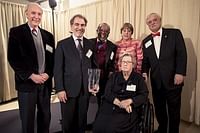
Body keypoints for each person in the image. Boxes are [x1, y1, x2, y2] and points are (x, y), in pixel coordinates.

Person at [7, 2, 55, 133]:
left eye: (39, 14)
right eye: (33, 13)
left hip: (45, 85)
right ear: (26, 14)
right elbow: (13, 59)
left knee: (45, 118)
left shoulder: (48, 36)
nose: (36, 16)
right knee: (27, 121)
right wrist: (31, 75)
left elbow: (52, 60)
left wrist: (48, 74)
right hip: (27, 85)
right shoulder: (16, 32)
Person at [142, 13, 187, 133]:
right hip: (156, 81)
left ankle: (173, 131)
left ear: (160, 20)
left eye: (154, 20)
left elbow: (181, 54)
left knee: (174, 109)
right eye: (149, 22)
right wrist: (144, 73)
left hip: (173, 79)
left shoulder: (174, 33)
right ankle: (162, 128)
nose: (152, 23)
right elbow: (145, 61)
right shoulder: (146, 41)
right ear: (147, 25)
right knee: (159, 108)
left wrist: (180, 73)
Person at [54, 14, 97, 133]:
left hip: (85, 91)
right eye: (77, 24)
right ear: (71, 26)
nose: (80, 27)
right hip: (68, 91)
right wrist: (60, 89)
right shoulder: (62, 44)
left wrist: (94, 84)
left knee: (82, 121)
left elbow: (94, 66)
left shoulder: (90, 44)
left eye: (82, 25)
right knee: (68, 122)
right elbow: (58, 69)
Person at [93, 54, 149, 133]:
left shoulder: (138, 78)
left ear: (133, 65)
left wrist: (130, 101)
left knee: (112, 127)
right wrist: (120, 104)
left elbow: (144, 95)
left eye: (128, 62)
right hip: (112, 105)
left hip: (129, 109)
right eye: (123, 62)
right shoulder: (114, 77)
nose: (125, 64)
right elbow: (107, 93)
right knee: (98, 126)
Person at [90, 23, 117, 106]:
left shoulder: (112, 46)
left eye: (106, 31)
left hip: (104, 75)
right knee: (88, 99)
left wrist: (111, 73)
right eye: (101, 30)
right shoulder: (89, 42)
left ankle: (101, 115)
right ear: (97, 30)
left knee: (102, 97)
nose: (103, 32)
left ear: (109, 33)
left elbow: (112, 62)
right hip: (91, 74)